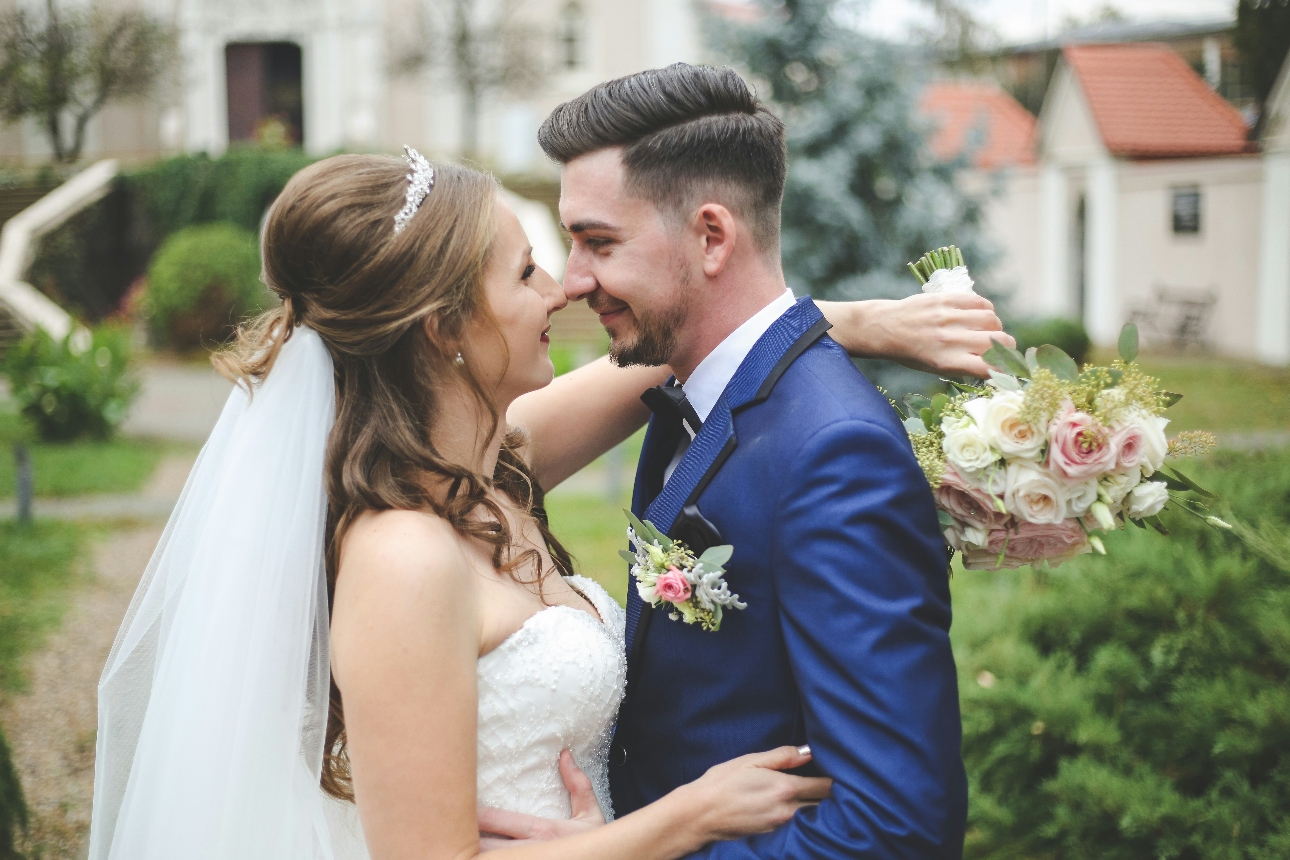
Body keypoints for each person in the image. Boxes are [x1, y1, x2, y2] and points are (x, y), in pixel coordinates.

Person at [89, 116, 1010, 860]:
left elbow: (689, 347)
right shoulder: (404, 552)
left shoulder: (482, 469)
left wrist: (855, 323)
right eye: (526, 270)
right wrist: (680, 821)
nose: (561, 289)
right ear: (444, 327)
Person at [481, 63, 980, 858]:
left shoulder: (833, 452)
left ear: (712, 236)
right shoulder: (703, 390)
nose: (572, 283)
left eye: (598, 243)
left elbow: (896, 830)